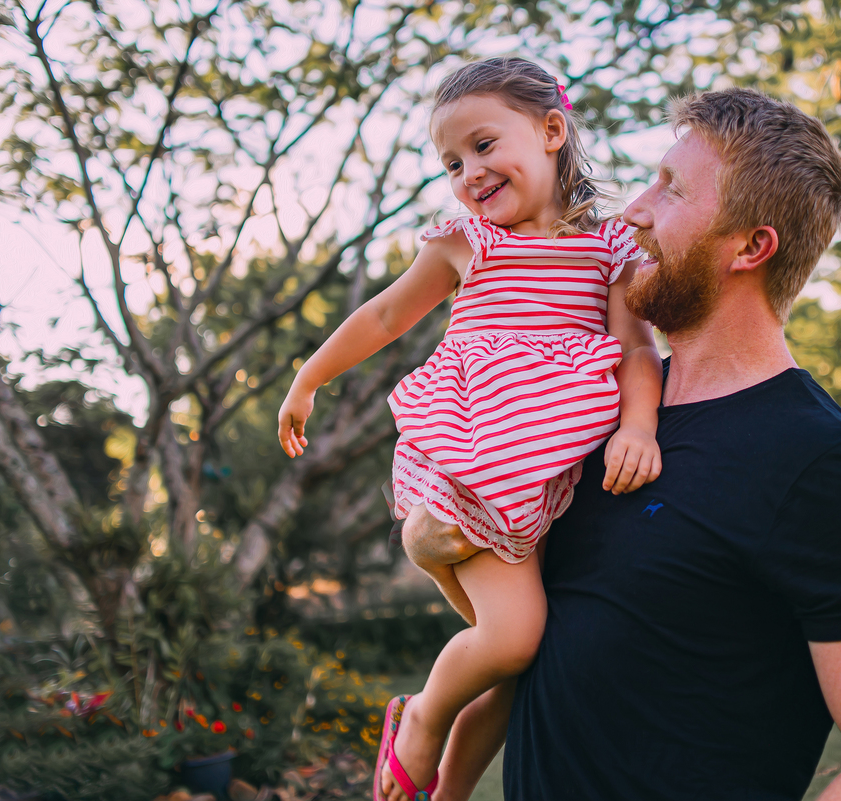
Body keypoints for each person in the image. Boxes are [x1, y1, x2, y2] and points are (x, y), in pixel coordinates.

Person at [409, 88, 841, 801]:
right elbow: (541, 644)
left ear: (751, 247)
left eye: (670, 189)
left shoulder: (820, 466)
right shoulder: (592, 411)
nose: (633, 209)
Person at [276, 57, 664, 801]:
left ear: (552, 130)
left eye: (484, 146)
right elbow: (386, 314)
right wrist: (309, 377)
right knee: (515, 638)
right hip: (473, 463)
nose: (469, 171)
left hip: (546, 479)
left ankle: (445, 792)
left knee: (523, 662)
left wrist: (639, 425)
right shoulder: (469, 241)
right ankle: (421, 717)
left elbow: (638, 349)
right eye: (453, 161)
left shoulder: (610, 249)